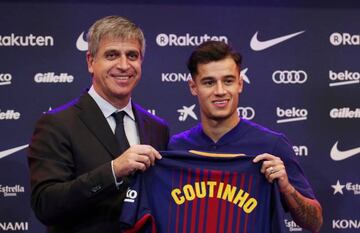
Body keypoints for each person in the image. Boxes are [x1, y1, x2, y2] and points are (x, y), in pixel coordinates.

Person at [28, 15, 169, 233]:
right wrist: (113, 171)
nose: (123, 65)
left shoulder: (157, 128)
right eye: (112, 55)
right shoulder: (56, 124)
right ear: (91, 62)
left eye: (132, 55)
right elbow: (46, 204)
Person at [168, 41, 323, 232]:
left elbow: (314, 222)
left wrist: (286, 188)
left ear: (240, 84)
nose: (220, 91)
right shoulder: (175, 148)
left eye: (228, 81)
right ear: (193, 87)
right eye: (209, 82)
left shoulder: (272, 145)